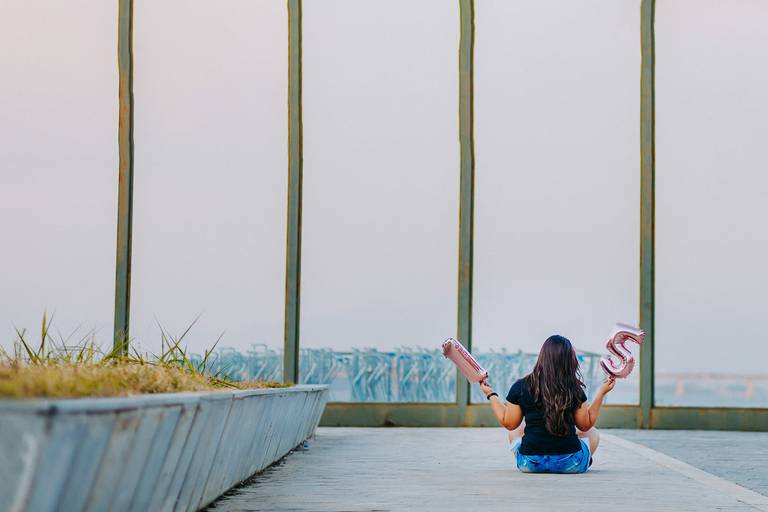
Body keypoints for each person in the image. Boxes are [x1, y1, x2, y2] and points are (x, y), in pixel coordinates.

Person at [479, 334, 615, 474]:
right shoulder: (574, 388)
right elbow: (585, 425)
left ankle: (531, 460)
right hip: (569, 463)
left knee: (516, 430)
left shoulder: (521, 386)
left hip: (529, 464)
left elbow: (509, 423)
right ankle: (582, 462)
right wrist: (602, 393)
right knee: (592, 433)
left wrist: (491, 394)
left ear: (542, 357)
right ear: (569, 360)